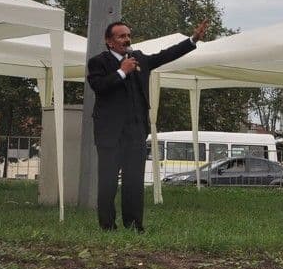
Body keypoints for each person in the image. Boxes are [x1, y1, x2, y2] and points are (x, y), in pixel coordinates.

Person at [87, 19, 209, 232]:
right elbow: (98, 86)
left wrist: (192, 40)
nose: (127, 39)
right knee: (107, 182)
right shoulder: (98, 62)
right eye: (121, 36)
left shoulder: (139, 58)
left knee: (134, 181)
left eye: (128, 35)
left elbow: (165, 55)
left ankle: (134, 225)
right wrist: (122, 72)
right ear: (109, 41)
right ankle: (107, 226)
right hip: (110, 134)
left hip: (136, 132)